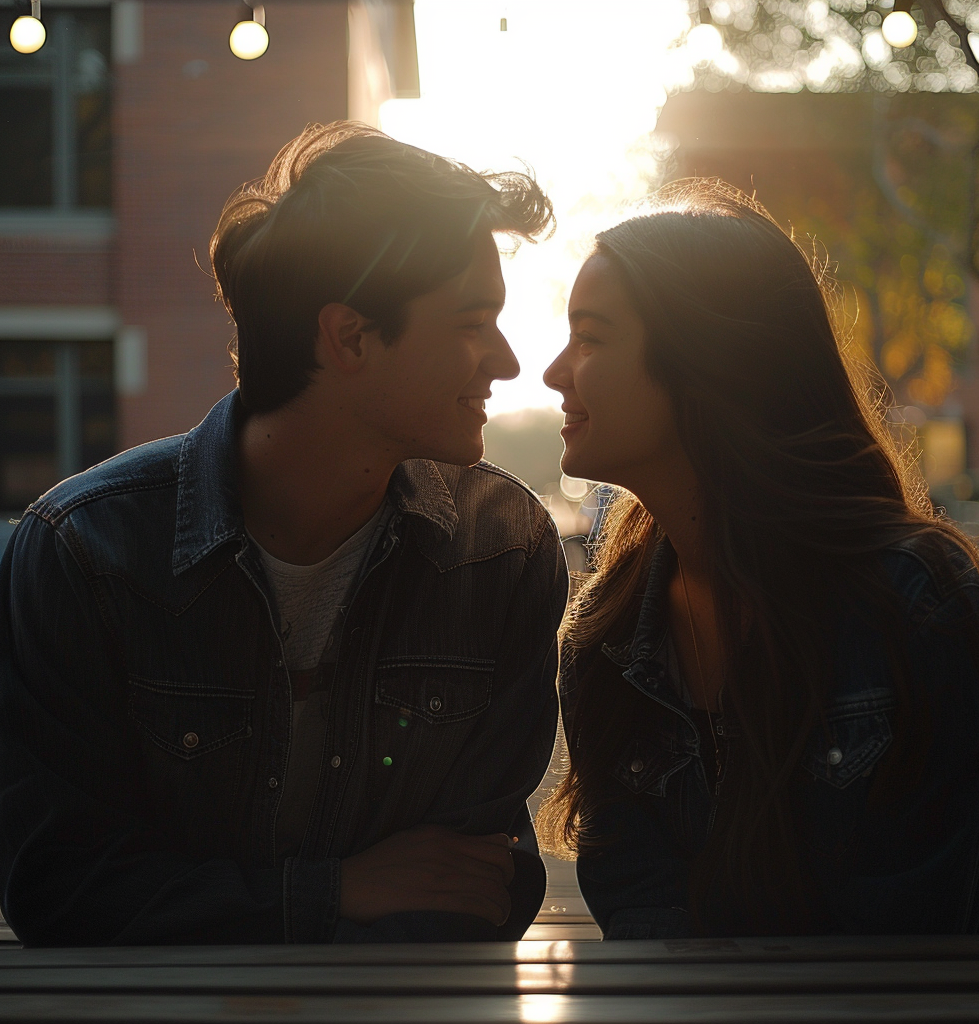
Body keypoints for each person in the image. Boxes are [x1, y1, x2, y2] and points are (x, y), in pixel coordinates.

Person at [0, 122, 568, 946]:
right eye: (471, 322)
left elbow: (476, 887)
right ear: (348, 337)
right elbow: (60, 889)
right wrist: (333, 895)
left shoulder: (502, 548)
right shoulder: (86, 552)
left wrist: (222, 904)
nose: (508, 361)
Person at [538, 178, 979, 938]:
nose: (555, 372)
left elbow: (919, 931)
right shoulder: (605, 640)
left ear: (705, 362)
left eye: (591, 337)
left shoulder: (910, 600)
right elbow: (642, 917)